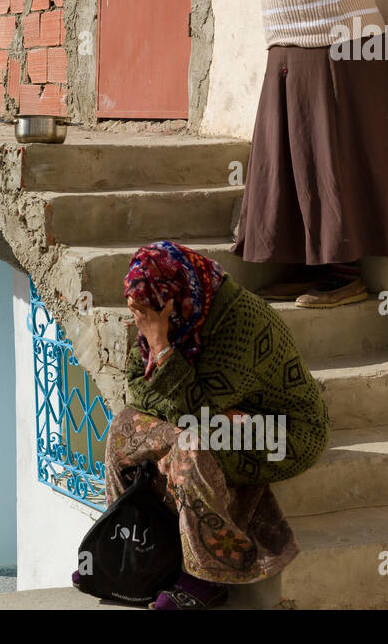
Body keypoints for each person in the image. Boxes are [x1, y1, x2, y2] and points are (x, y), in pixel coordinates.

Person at [187, 0, 388, 308]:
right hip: (292, 54)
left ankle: (343, 275)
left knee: (330, 163)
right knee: (293, 165)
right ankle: (310, 266)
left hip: (335, 50)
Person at [103, 241, 330, 609]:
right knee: (124, 426)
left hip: (280, 432)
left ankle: (205, 577)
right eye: (137, 313)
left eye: (146, 314)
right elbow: (136, 389)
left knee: (190, 446)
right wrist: (158, 347)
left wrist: (160, 344)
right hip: (220, 416)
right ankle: (126, 544)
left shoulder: (242, 325)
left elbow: (194, 410)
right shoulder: (176, 306)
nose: (140, 322)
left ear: (175, 297)